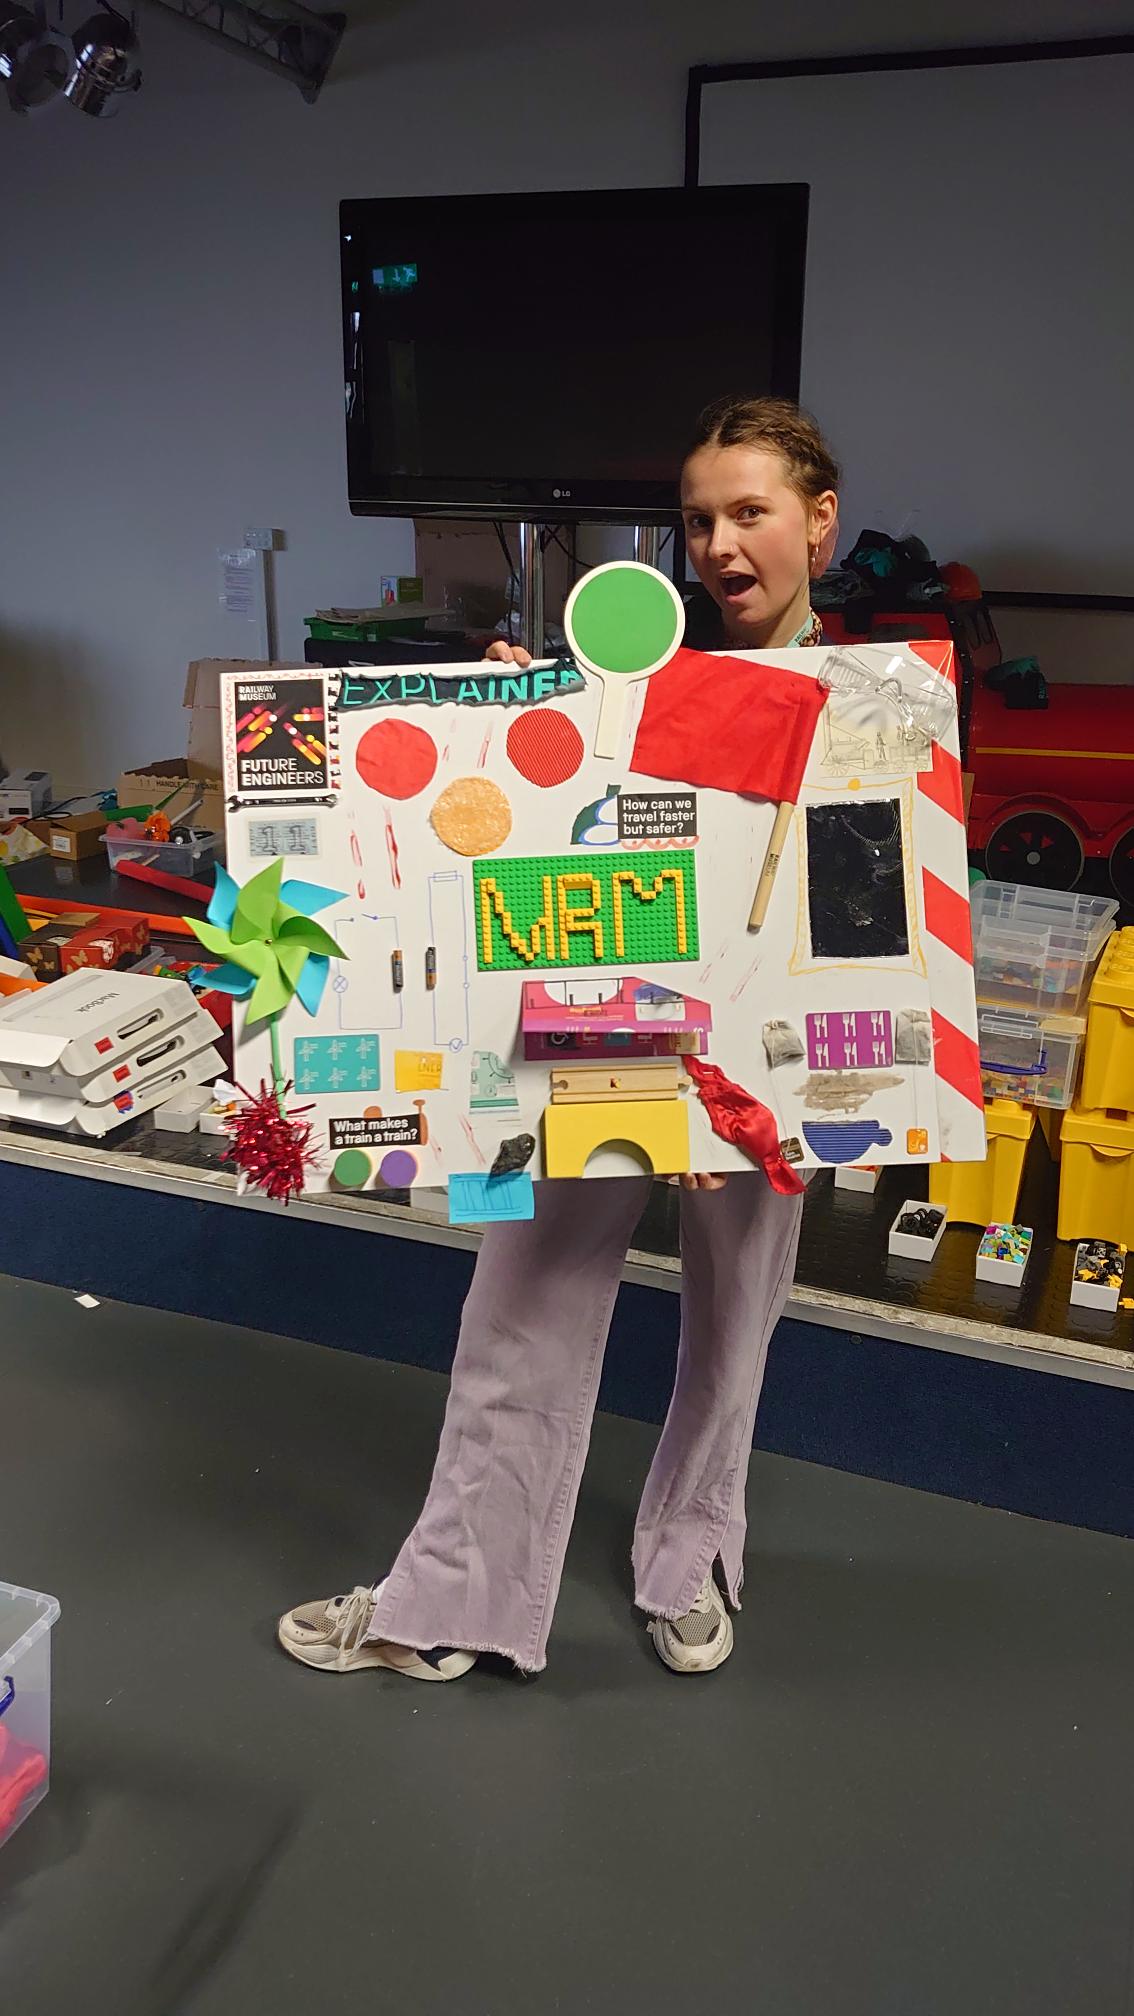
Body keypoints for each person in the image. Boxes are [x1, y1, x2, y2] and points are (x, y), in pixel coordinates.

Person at [278, 396, 840, 1682]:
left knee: (738, 1319)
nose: (720, 543)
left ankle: (692, 1555)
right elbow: (537, 844)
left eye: (749, 512)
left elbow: (871, 921)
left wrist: (732, 1097)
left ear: (818, 522)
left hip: (771, 1069)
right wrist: (497, 724)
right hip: (593, 1045)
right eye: (698, 519)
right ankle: (454, 1597)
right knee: (519, 1295)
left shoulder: (877, 710)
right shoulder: (625, 681)